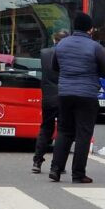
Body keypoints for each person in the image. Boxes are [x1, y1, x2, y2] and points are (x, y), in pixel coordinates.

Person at [48, 12, 105, 184]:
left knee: (64, 131)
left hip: (65, 94)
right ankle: (78, 174)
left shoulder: (61, 45)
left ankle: (55, 169)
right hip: (87, 95)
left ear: (74, 27)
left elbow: (55, 66)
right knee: (83, 134)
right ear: (90, 29)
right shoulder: (95, 47)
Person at [32, 30, 68, 174]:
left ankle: (37, 161)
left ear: (54, 40)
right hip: (64, 95)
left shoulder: (44, 53)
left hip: (48, 97)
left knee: (45, 128)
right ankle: (58, 164)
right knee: (62, 131)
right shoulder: (68, 55)